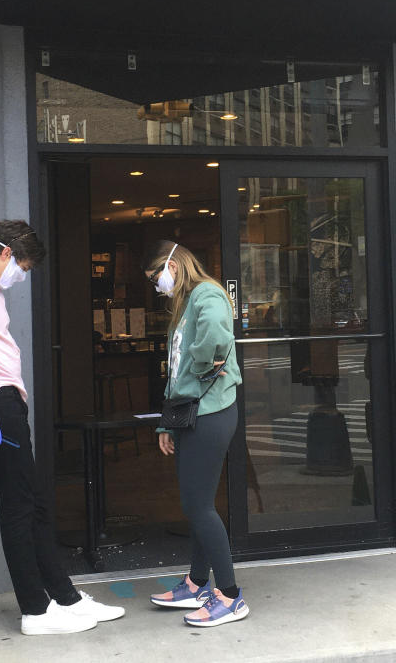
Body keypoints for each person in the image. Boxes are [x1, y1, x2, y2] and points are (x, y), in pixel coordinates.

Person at [0, 220, 125, 635]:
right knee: (20, 507)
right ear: (6, 253)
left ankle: (64, 597)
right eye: (23, 266)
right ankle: (36, 611)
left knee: (34, 502)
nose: (22, 276)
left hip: (0, 403)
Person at [143, 240, 249, 627]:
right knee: (198, 504)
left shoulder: (208, 294)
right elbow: (177, 372)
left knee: (198, 507)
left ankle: (231, 596)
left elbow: (215, 343)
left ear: (173, 264)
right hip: (193, 414)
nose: (158, 284)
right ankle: (197, 583)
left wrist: (201, 363)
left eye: (157, 276)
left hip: (211, 413)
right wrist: (165, 423)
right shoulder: (188, 303)